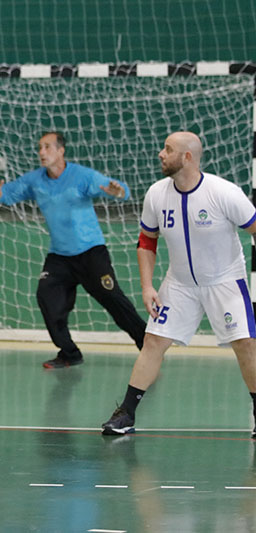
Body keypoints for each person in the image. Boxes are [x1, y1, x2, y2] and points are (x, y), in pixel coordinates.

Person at [102, 131, 256, 436]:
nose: (161, 154)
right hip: (179, 284)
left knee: (246, 344)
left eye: (168, 149)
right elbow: (147, 240)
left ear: (187, 157)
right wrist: (147, 287)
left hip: (225, 281)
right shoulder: (156, 194)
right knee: (153, 341)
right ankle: (126, 414)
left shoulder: (224, 193)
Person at [0, 131, 146, 369]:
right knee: (46, 297)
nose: (42, 152)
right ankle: (69, 353)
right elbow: (6, 195)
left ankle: (147, 343)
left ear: (61, 151)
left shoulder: (82, 176)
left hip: (91, 252)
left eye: (47, 147)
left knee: (113, 299)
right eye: (40, 147)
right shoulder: (35, 180)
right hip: (59, 256)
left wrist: (118, 192)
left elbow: (120, 190)